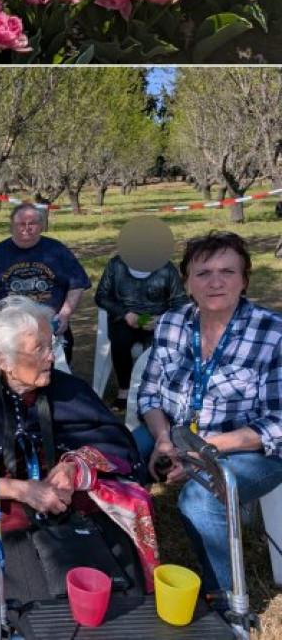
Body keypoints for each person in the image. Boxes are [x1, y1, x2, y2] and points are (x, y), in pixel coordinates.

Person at [0, 297, 158, 622]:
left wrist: (75, 466)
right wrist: (23, 490)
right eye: (38, 349)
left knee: (120, 578)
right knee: (38, 598)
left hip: (74, 498)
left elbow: (111, 438)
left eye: (50, 345)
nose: (52, 355)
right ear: (4, 359)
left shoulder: (68, 390)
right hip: (9, 505)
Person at [136, 230, 282, 604]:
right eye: (202, 273)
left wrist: (204, 452)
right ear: (186, 282)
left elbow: (278, 423)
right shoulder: (171, 323)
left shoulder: (273, 333)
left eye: (227, 271)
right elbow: (150, 392)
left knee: (200, 499)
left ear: (245, 279)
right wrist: (164, 440)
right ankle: (125, 572)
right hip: (178, 434)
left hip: (252, 448)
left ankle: (227, 599)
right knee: (111, 458)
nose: (215, 281)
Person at [0, 203, 91, 362]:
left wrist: (65, 314)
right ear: (12, 226)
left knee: (57, 372)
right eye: (21, 224)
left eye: (32, 223)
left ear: (41, 226)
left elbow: (77, 284)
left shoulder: (57, 250)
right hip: (8, 326)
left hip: (50, 324)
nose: (26, 228)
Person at [95, 216, 188, 407]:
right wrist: (125, 314)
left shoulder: (167, 269)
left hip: (156, 318)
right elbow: (101, 296)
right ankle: (125, 390)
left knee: (157, 345)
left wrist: (161, 320)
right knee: (120, 342)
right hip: (124, 317)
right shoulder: (116, 265)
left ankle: (154, 389)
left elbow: (180, 301)